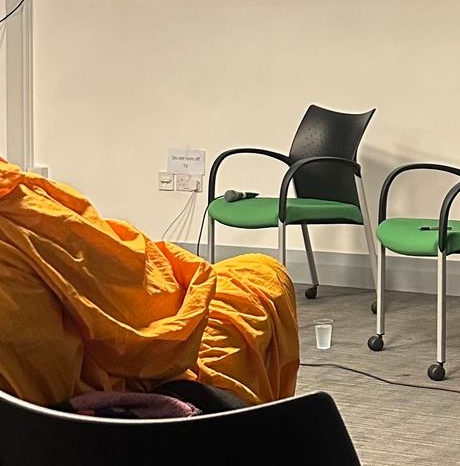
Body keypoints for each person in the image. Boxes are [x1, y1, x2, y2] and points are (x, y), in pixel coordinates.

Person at [0, 158, 300, 408]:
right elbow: (132, 291)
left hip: (33, 426)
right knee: (263, 273)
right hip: (95, 411)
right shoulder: (20, 201)